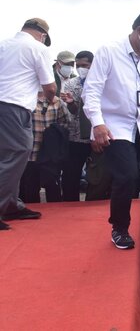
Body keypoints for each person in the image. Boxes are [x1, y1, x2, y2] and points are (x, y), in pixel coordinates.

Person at [82, 10, 140, 251]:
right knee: (127, 176)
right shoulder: (109, 51)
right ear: (139, 30)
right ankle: (119, 228)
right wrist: (98, 123)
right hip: (116, 125)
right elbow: (91, 90)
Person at [0, 18, 56, 230]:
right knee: (17, 153)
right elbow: (49, 87)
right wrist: (54, 99)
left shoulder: (3, 45)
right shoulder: (37, 48)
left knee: (7, 157)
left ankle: (11, 204)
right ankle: (5, 204)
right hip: (15, 107)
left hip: (5, 105)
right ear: (42, 35)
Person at [19, 91, 69, 202]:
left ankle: (56, 217)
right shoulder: (26, 101)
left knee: (53, 189)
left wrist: (54, 134)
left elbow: (65, 123)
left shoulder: (57, 102)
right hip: (30, 154)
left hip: (50, 155)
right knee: (30, 190)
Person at [59, 51, 94, 201]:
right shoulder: (70, 84)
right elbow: (71, 112)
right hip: (75, 137)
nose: (81, 68)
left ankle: (94, 204)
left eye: (84, 65)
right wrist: (71, 103)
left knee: (97, 177)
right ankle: (69, 205)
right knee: (71, 175)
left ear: (93, 65)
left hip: (96, 137)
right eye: (77, 66)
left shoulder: (104, 82)